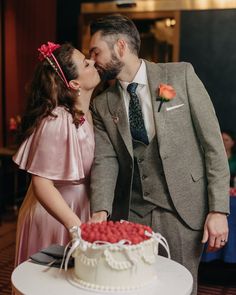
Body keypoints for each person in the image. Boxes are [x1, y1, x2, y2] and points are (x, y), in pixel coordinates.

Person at [88, 14, 230, 295]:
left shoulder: (180, 75)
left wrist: (218, 209)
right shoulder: (102, 104)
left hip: (183, 213)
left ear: (119, 47)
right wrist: (100, 212)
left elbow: (212, 144)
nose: (92, 60)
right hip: (131, 213)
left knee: (180, 288)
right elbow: (106, 160)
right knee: (133, 287)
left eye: (96, 51)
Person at [13, 41, 100, 265]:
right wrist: (73, 225)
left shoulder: (89, 114)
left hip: (81, 210)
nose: (92, 61)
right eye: (85, 63)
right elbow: (42, 183)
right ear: (73, 83)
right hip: (57, 217)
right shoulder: (57, 119)